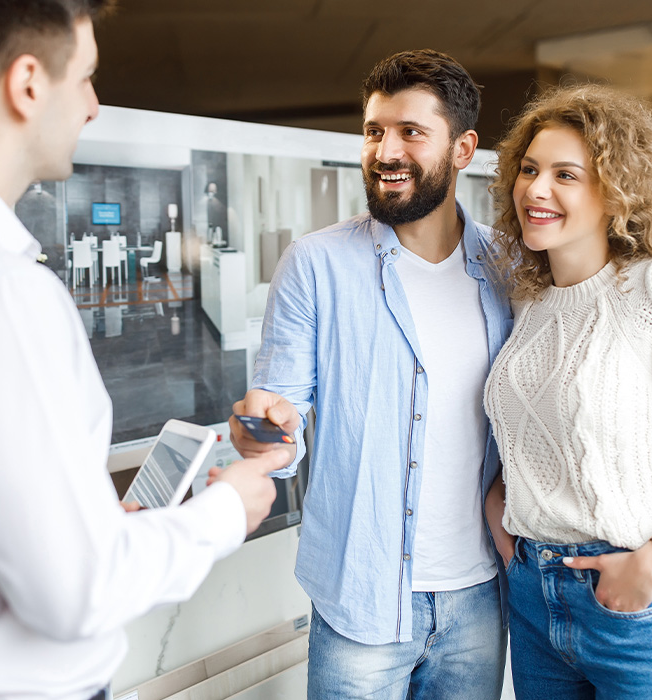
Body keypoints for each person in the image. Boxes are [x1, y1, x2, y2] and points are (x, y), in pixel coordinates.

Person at [0, 2, 283, 698]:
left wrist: (89, 522)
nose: (94, 106)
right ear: (28, 83)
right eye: (87, 78)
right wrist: (222, 513)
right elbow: (76, 592)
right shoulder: (10, 297)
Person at [230, 49, 512, 700]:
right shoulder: (316, 264)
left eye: (411, 132)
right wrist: (263, 435)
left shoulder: (509, 268)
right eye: (374, 131)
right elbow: (280, 413)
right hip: (361, 598)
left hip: (480, 595)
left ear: (464, 148)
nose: (385, 150)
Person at [483, 83, 652, 699]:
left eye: (565, 174)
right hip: (534, 596)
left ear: (614, 192)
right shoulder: (528, 301)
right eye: (528, 169)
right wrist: (504, 521)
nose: (535, 190)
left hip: (637, 602)